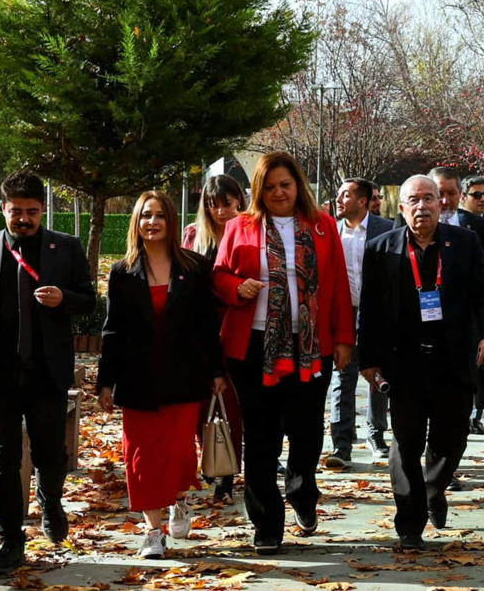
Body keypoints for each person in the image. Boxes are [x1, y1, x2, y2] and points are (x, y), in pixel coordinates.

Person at [0, 172, 95, 574]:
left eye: (31, 212)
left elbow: (89, 299)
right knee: (3, 460)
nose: (23, 219)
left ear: (42, 210)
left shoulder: (65, 247)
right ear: (4, 209)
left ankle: (50, 499)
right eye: (16, 212)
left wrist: (64, 298)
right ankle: (11, 542)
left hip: (47, 373)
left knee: (51, 454)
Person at [212, 151, 354, 555]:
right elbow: (218, 276)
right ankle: (266, 525)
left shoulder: (323, 226)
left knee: (307, 434)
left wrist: (343, 339)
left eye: (285, 185)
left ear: (298, 186)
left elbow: (338, 286)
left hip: (310, 347)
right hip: (253, 346)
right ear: (259, 190)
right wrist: (235, 288)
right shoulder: (240, 227)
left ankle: (302, 493)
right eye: (270, 186)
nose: (278, 192)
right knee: (260, 438)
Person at [358, 174, 484, 551]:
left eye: (429, 199)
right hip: (402, 362)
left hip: (453, 358)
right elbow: (370, 309)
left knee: (450, 440)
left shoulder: (465, 243)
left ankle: (434, 488)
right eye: (413, 200)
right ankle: (409, 524)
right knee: (405, 443)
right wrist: (368, 359)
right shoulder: (380, 249)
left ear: (442, 204)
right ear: (401, 207)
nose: (422, 206)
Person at [97, 191, 227, 559]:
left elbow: (206, 327)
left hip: (184, 375)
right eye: (145, 216)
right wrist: (105, 381)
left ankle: (179, 500)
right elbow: (112, 330)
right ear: (136, 223)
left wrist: (216, 371)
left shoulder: (195, 267)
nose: (151, 222)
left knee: (179, 453)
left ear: (171, 222)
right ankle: (153, 532)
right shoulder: (122, 272)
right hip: (136, 379)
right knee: (140, 456)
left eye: (159, 216)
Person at [394, 166, 484, 442]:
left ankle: (440, 475)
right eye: (439, 193)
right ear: (403, 208)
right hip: (408, 346)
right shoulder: (392, 239)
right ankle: (414, 483)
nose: (442, 200)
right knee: (408, 432)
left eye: (448, 194)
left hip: (456, 341)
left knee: (451, 428)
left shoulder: (470, 232)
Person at [182, 174, 246, 501]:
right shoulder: (193, 235)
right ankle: (211, 460)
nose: (220, 210)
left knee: (231, 402)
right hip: (200, 327)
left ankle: (227, 471)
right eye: (213, 204)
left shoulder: (249, 232)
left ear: (239, 200)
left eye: (226, 203)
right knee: (203, 399)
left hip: (237, 320)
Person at [326, 177, 394, 468]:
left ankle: (376, 435)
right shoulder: (330, 231)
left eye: (345, 195)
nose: (339, 200)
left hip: (378, 315)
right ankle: (341, 445)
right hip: (343, 314)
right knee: (343, 376)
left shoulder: (388, 230)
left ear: (363, 201)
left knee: (377, 377)